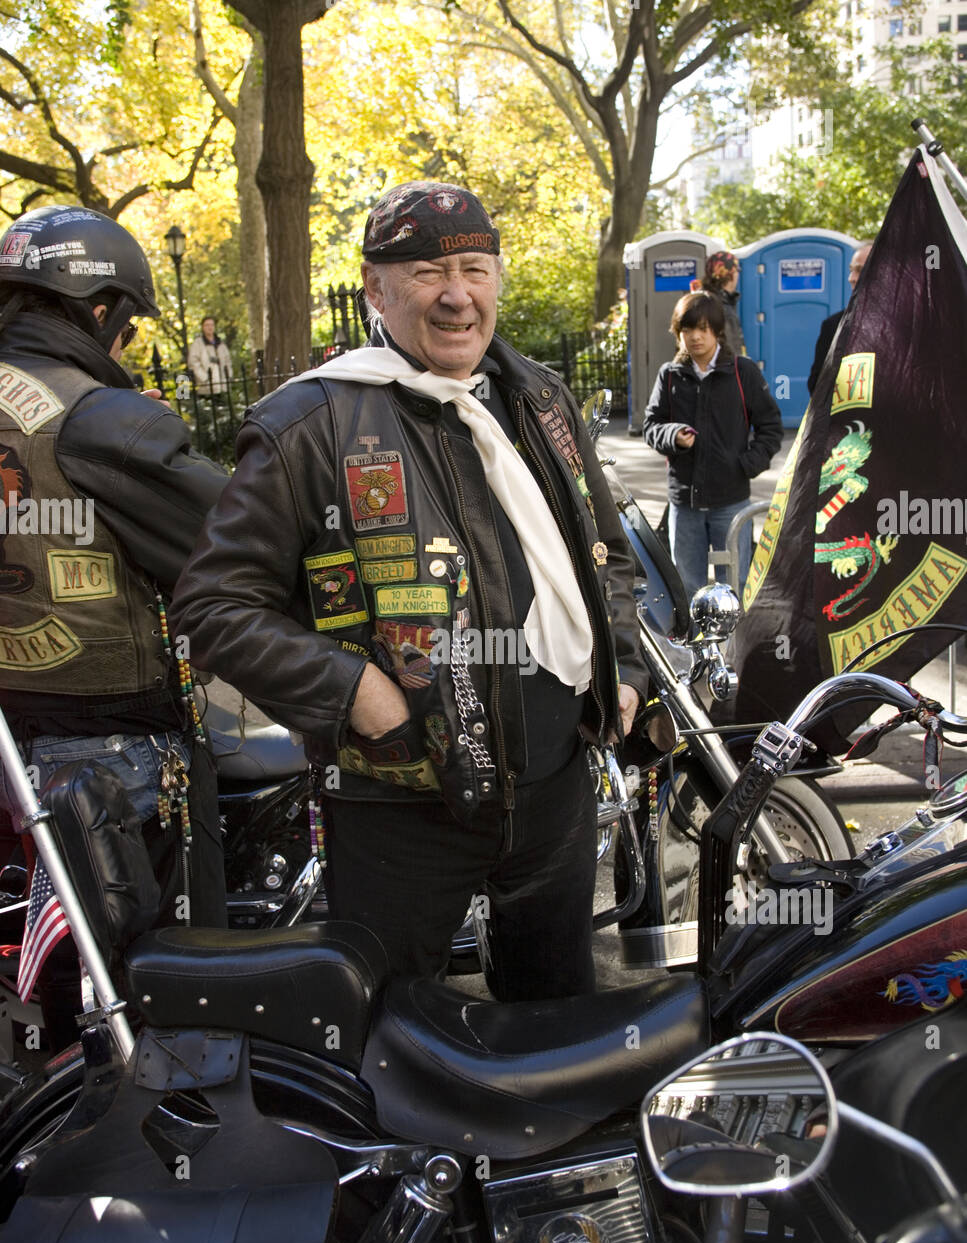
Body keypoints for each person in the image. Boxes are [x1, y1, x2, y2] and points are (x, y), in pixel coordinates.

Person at [172, 179, 650, 1003]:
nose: (456, 295)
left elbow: (603, 556)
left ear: (497, 277)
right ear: (375, 288)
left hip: (555, 790)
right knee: (391, 1038)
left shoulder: (541, 399)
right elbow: (214, 608)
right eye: (428, 273)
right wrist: (355, 691)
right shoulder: (308, 425)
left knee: (555, 1025)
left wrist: (630, 671)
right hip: (396, 806)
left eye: (473, 267)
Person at [0, 205, 229, 1046]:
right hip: (108, 751)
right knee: (145, 996)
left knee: (45, 981)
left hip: (10, 746)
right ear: (100, 312)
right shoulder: (102, 418)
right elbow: (234, 543)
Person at [642, 290, 782, 599]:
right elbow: (651, 427)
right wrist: (673, 436)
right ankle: (694, 647)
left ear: (716, 331)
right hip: (684, 502)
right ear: (678, 334)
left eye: (702, 328)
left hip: (731, 502)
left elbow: (771, 428)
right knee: (687, 585)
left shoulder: (743, 372)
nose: (695, 337)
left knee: (734, 585)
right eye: (687, 330)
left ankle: (732, 648)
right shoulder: (669, 375)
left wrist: (746, 465)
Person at [807, 242, 873, 394]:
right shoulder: (833, 326)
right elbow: (815, 384)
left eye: (860, 270)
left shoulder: (903, 325)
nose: (851, 278)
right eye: (851, 270)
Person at [695, 250, 745, 357]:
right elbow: (732, 349)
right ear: (730, 275)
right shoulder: (721, 306)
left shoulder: (700, 299)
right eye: (737, 271)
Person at [187, 315, 232, 394]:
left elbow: (228, 361)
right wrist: (205, 378)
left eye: (212, 325)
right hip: (206, 388)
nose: (210, 327)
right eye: (207, 325)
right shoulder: (198, 343)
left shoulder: (221, 344)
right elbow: (193, 363)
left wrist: (229, 376)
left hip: (223, 386)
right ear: (203, 327)